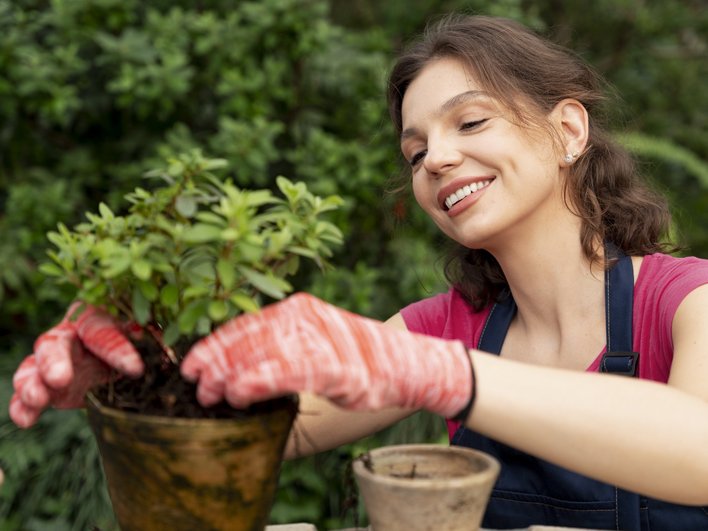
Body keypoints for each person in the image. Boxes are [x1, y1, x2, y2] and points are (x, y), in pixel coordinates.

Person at [10, 14, 708, 530]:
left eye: (469, 123)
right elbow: (270, 428)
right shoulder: (441, 328)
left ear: (569, 131)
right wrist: (137, 387)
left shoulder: (685, 299)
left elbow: (696, 446)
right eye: (415, 150)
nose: (433, 159)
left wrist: (448, 375)